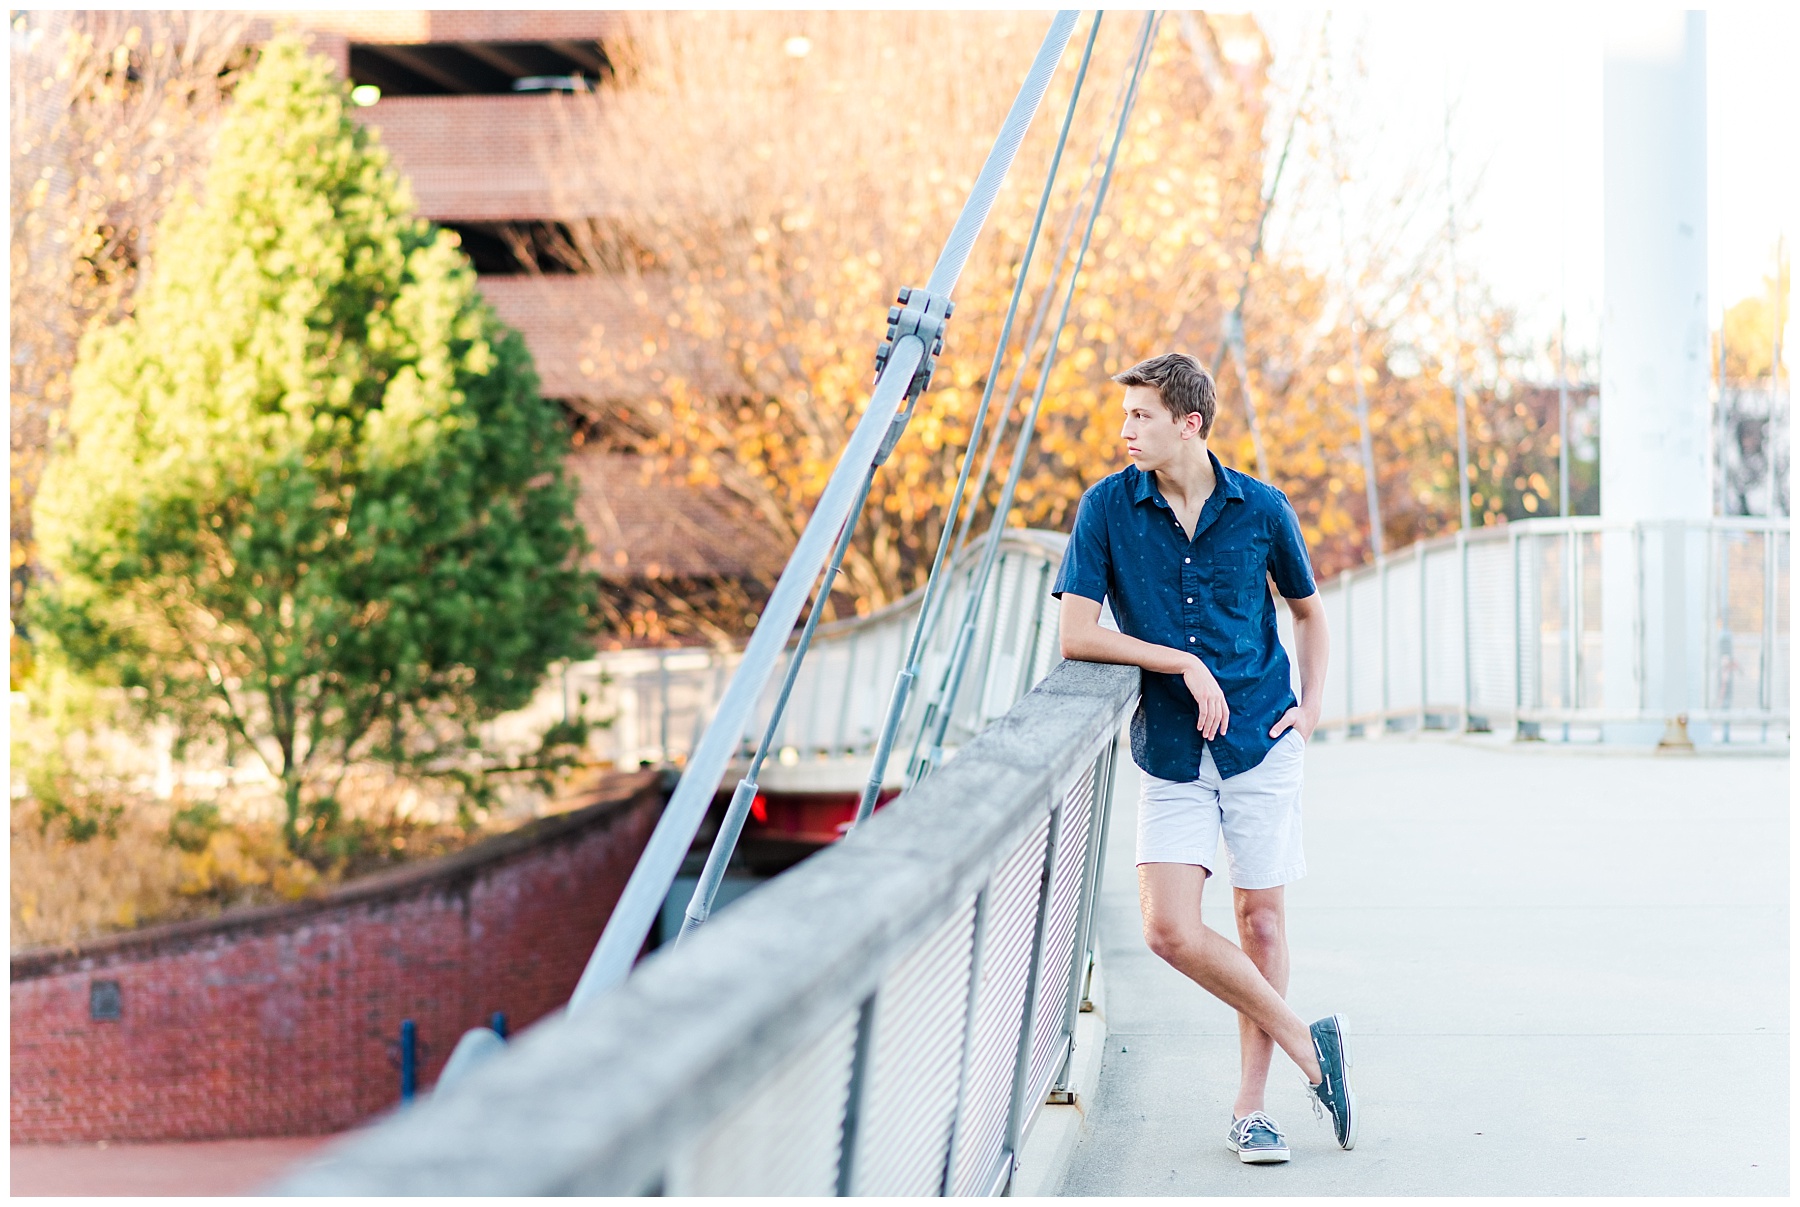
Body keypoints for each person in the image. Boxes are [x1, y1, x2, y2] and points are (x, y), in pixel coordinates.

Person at [1052, 352, 1354, 1164]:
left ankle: (1252, 1110)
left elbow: (1310, 615)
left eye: (1142, 416)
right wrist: (1180, 663)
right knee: (1167, 929)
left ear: (1189, 423)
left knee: (1260, 920)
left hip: (1261, 740)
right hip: (1172, 749)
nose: (1125, 431)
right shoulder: (1106, 509)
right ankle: (1307, 1041)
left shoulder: (1262, 508)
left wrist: (1313, 705)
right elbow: (1077, 634)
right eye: (1126, 416)